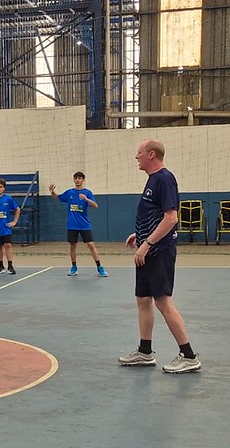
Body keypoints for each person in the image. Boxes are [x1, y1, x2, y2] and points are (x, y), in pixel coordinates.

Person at [119, 139, 202, 374]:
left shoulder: (164, 178)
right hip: (148, 249)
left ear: (151, 154)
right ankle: (145, 352)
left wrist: (147, 243)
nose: (136, 156)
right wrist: (140, 234)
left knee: (163, 301)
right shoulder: (152, 180)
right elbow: (156, 215)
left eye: (139, 152)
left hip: (159, 252)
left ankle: (189, 356)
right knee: (143, 300)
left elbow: (171, 218)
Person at [49, 171, 108, 277]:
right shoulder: (69, 193)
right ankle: (74, 267)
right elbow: (57, 197)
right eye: (76, 178)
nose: (77, 180)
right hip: (72, 225)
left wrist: (86, 199)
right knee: (72, 246)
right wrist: (52, 192)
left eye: (80, 178)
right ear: (73, 180)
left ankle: (100, 267)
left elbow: (95, 206)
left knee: (91, 245)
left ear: (83, 180)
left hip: (84, 225)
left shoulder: (87, 193)